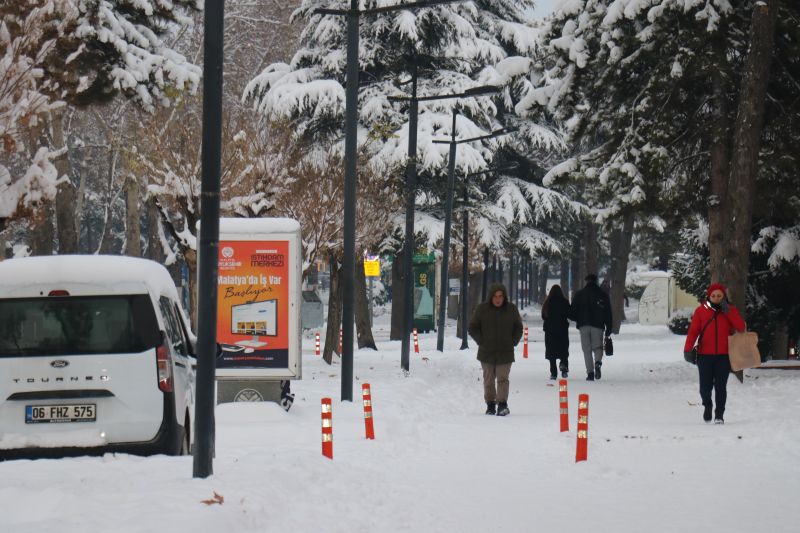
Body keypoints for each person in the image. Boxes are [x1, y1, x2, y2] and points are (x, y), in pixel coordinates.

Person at [683, 283, 745, 424]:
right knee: (705, 388)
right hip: (704, 356)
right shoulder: (701, 310)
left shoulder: (729, 310)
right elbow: (693, 332)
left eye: (719, 296)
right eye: (714, 296)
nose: (716, 298)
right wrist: (687, 349)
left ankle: (719, 415)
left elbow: (741, 327)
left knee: (720, 387)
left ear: (724, 297)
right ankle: (707, 405)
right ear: (709, 296)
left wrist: (728, 311)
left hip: (723, 356)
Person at [468, 282, 523, 416]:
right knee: (488, 380)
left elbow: (518, 327)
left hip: (505, 352)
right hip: (486, 352)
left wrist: (513, 341)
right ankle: (490, 404)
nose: (498, 299)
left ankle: (502, 404)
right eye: (495, 296)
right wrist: (481, 341)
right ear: (491, 297)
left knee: (503, 378)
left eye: (500, 296)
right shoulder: (482, 309)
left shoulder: (511, 309)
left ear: (504, 297)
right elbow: (472, 327)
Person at [571, 273, 612, 381]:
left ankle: (590, 373)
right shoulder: (602, 295)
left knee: (586, 350)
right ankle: (597, 362)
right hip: (598, 325)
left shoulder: (579, 294)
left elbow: (572, 312)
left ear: (586, 281)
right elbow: (608, 313)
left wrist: (578, 319)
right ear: (596, 281)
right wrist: (609, 328)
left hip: (583, 325)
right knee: (598, 347)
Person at [542, 284, 571, 380]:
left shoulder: (547, 302)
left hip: (550, 330)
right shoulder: (564, 302)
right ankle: (564, 367)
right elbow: (569, 313)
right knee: (563, 349)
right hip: (562, 329)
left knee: (551, 351)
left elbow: (543, 316)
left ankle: (553, 373)